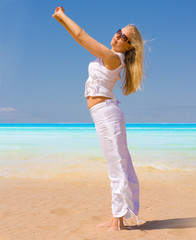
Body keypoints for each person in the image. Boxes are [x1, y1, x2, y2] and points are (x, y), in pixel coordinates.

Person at [52, 6, 145, 231]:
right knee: (118, 164)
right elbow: (79, 39)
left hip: (107, 115)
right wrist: (60, 20)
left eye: (123, 36)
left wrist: (64, 16)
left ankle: (118, 220)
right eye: (118, 31)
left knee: (117, 166)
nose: (117, 36)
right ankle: (118, 217)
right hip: (104, 114)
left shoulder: (113, 58)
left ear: (128, 46)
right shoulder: (107, 56)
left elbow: (83, 36)